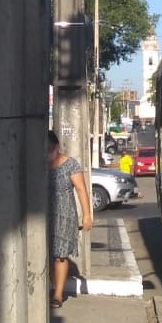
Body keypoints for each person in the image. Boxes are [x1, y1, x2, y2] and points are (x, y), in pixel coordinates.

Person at [47, 130, 92, 308]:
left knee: (60, 255)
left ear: (56, 147)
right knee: (47, 255)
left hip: (64, 216)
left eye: (49, 147)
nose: (47, 151)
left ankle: (58, 294)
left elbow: (81, 189)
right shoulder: (38, 163)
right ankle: (52, 285)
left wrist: (87, 215)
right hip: (42, 216)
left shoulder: (70, 164)